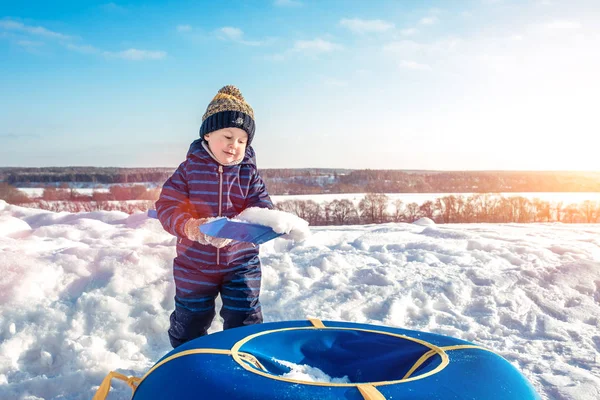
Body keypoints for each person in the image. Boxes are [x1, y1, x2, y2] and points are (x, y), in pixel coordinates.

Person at [155, 85, 273, 348]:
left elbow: (263, 208)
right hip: (194, 263)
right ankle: (188, 362)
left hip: (242, 262)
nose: (235, 145)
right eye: (228, 136)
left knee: (246, 319)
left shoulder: (248, 174)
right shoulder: (188, 170)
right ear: (208, 134)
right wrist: (192, 227)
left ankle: (244, 364)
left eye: (242, 140)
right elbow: (167, 206)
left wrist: (248, 227)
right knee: (190, 321)